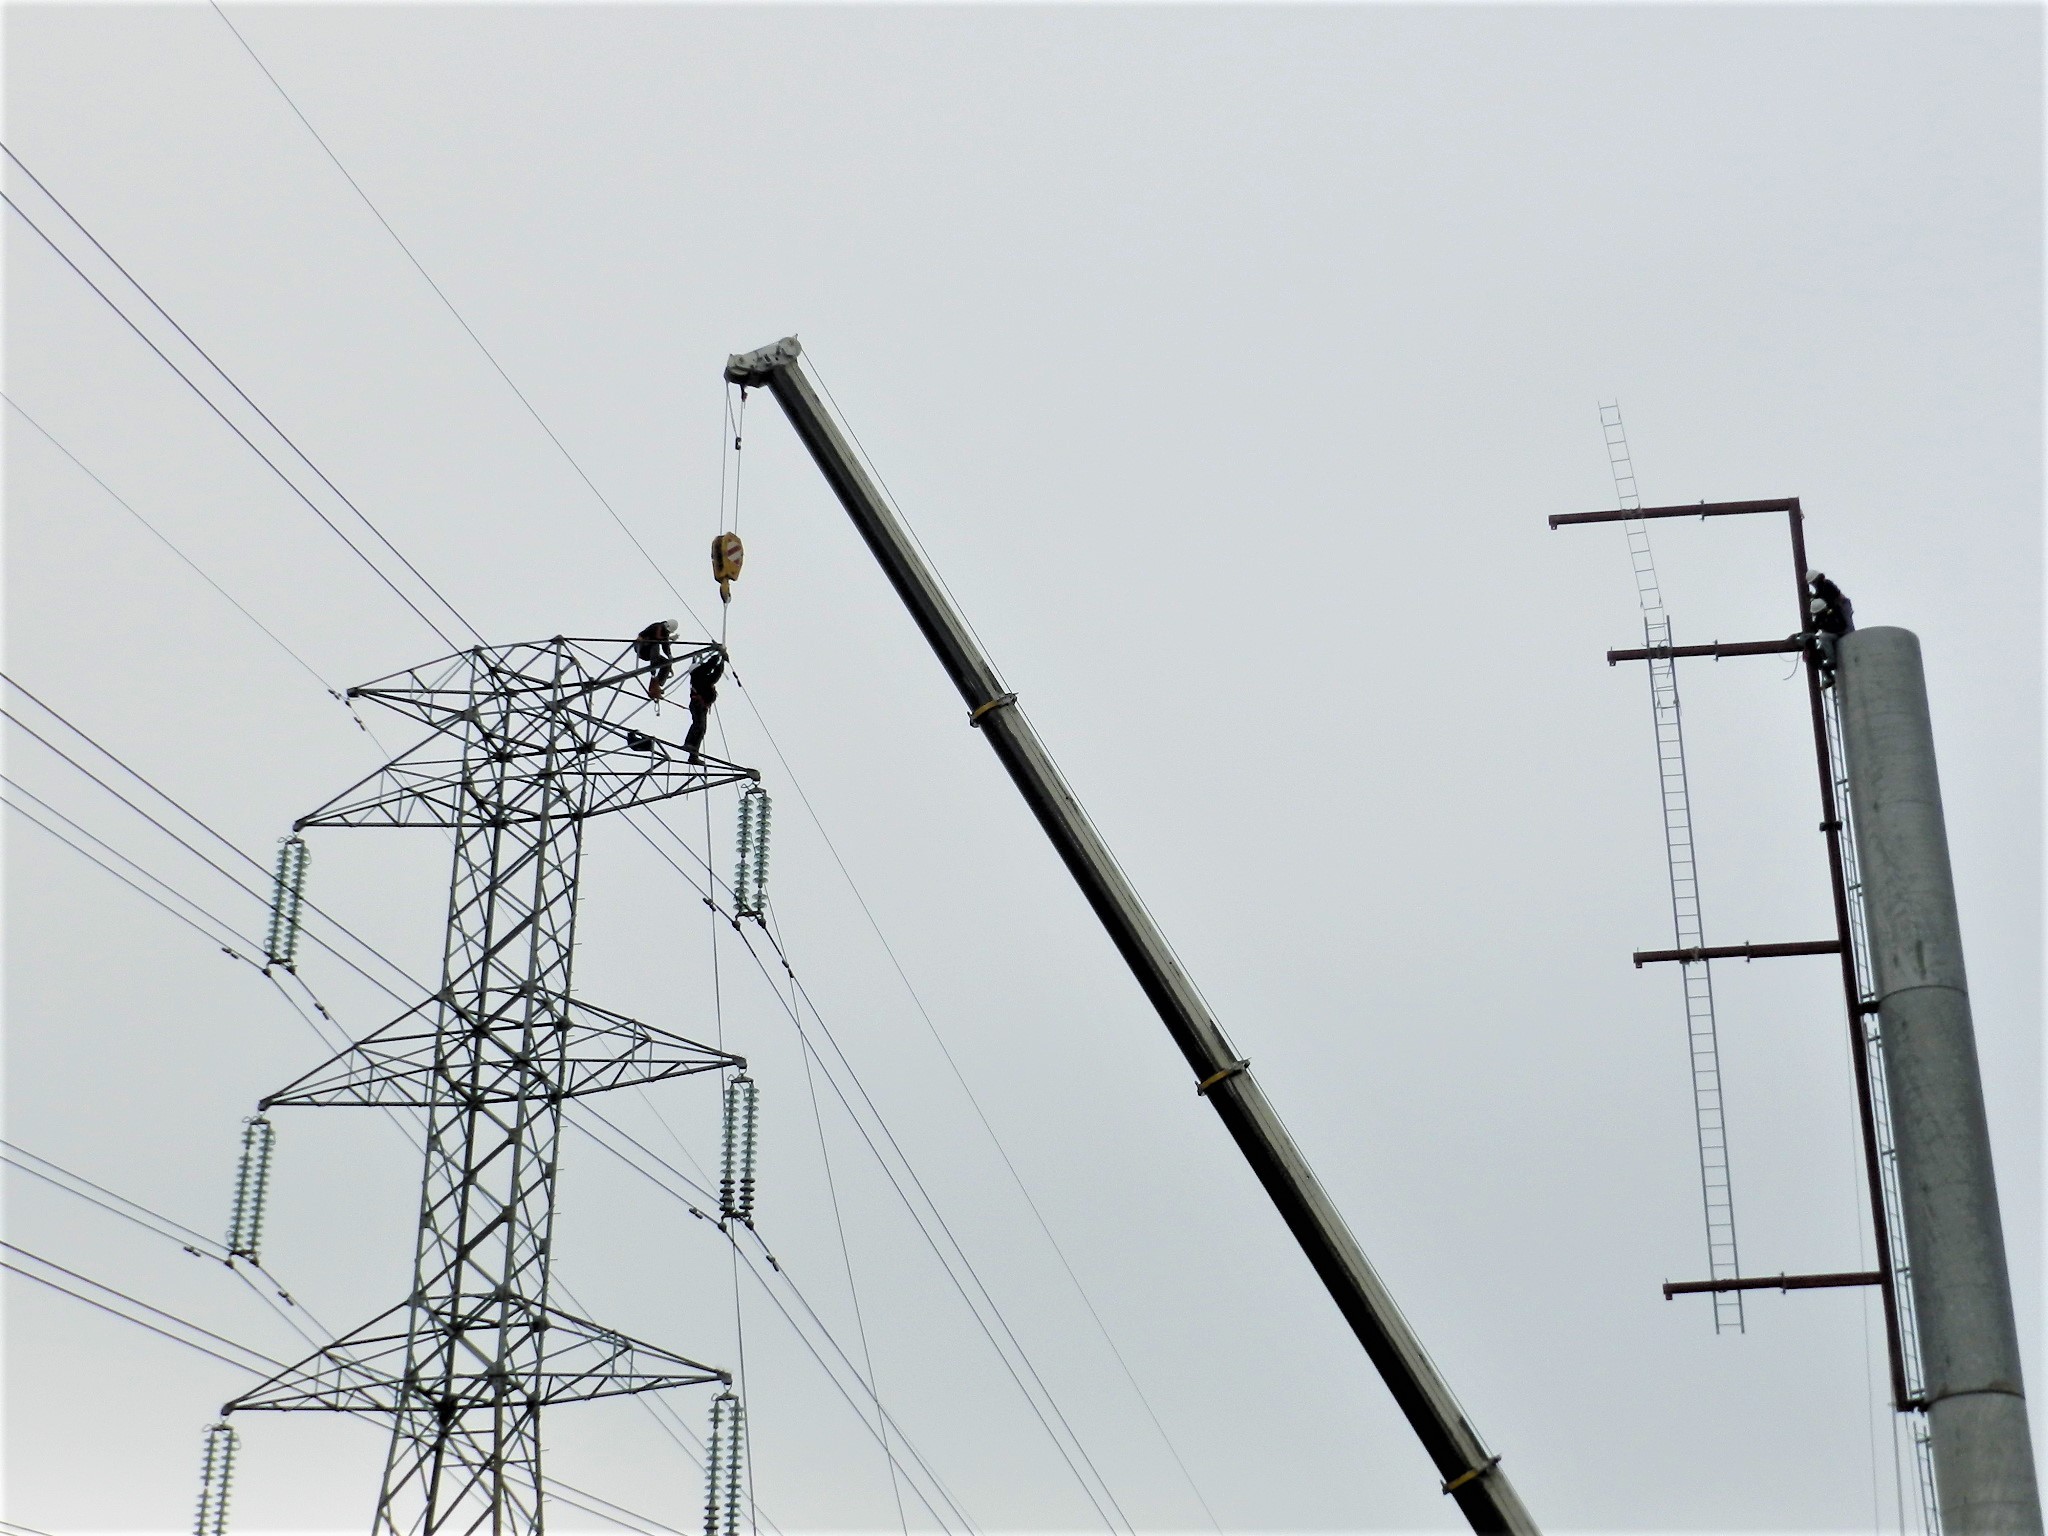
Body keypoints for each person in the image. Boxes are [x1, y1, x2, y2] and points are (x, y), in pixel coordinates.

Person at [1806, 571, 1854, 677]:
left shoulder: (1827, 585)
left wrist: (1814, 598)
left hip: (1842, 607)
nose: (1813, 584)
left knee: (1846, 631)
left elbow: (1828, 597)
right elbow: (1817, 623)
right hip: (1835, 612)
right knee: (1825, 639)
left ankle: (1850, 640)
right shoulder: (1822, 588)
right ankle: (1828, 670)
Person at [682, 650, 726, 764]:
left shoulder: (700, 677)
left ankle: (693, 754)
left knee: (701, 728)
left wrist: (721, 661)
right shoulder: (698, 676)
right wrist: (719, 658)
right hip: (698, 705)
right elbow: (710, 669)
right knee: (699, 726)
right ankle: (689, 745)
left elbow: (713, 674)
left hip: (701, 706)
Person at [635, 619, 680, 700]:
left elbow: (665, 646)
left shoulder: (664, 635)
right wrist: (640, 639)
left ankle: (656, 685)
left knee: (666, 663)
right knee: (655, 645)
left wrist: (669, 655)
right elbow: (642, 634)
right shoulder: (656, 627)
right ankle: (653, 674)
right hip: (643, 649)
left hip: (652, 654)